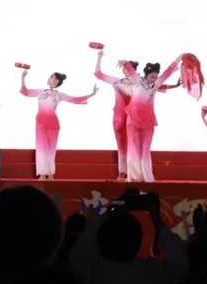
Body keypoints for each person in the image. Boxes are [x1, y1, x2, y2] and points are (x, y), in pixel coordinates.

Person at [94, 45, 179, 181]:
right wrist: (100, 56)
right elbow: (98, 74)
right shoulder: (118, 81)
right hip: (121, 116)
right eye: (125, 69)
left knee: (138, 146)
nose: (127, 71)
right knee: (123, 145)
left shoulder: (139, 82)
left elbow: (157, 83)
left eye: (130, 69)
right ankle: (123, 172)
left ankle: (139, 174)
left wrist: (174, 85)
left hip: (136, 117)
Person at [19, 68, 98, 180]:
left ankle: (50, 174)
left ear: (56, 81)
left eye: (51, 77)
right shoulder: (41, 91)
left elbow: (75, 99)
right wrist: (23, 77)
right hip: (40, 122)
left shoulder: (59, 95)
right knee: (41, 148)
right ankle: (42, 174)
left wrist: (92, 94)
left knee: (51, 149)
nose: (49, 78)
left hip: (53, 124)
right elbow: (25, 92)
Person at [122, 55, 185, 183]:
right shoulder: (137, 80)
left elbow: (168, 72)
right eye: (152, 77)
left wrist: (180, 57)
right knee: (133, 148)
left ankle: (147, 177)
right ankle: (134, 177)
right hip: (133, 120)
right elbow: (129, 68)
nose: (154, 79)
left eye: (156, 77)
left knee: (145, 149)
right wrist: (124, 63)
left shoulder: (156, 84)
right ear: (146, 74)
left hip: (148, 121)